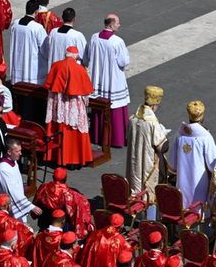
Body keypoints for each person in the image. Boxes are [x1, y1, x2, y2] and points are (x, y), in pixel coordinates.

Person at [85, 14, 130, 147]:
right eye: (117, 23)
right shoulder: (117, 41)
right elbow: (124, 61)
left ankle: (98, 135)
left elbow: (87, 57)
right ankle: (116, 139)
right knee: (115, 107)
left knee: (99, 106)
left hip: (98, 79)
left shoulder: (94, 38)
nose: (119, 25)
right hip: (113, 80)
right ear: (111, 25)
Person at [44, 46, 93, 167]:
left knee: (59, 127)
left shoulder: (56, 65)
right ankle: (75, 159)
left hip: (58, 104)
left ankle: (56, 158)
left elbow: (50, 85)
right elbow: (87, 90)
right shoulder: (79, 69)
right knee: (74, 128)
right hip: (72, 105)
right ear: (76, 56)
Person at [168, 100, 216, 211]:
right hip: (199, 181)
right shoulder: (205, 137)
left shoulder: (180, 134)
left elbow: (173, 163)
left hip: (183, 180)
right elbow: (213, 164)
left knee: (184, 206)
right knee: (199, 208)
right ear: (202, 116)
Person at [128, 85, 169, 218]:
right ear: (153, 106)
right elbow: (162, 146)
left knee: (135, 185)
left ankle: (137, 218)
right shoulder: (152, 122)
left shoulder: (133, 118)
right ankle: (150, 222)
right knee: (149, 192)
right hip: (148, 163)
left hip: (134, 162)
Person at [0, 138, 40, 222]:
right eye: (17, 151)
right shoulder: (3, 169)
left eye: (20, 151)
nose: (20, 154)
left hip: (16, 201)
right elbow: (11, 191)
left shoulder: (13, 162)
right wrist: (30, 206)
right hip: (9, 206)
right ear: (9, 152)